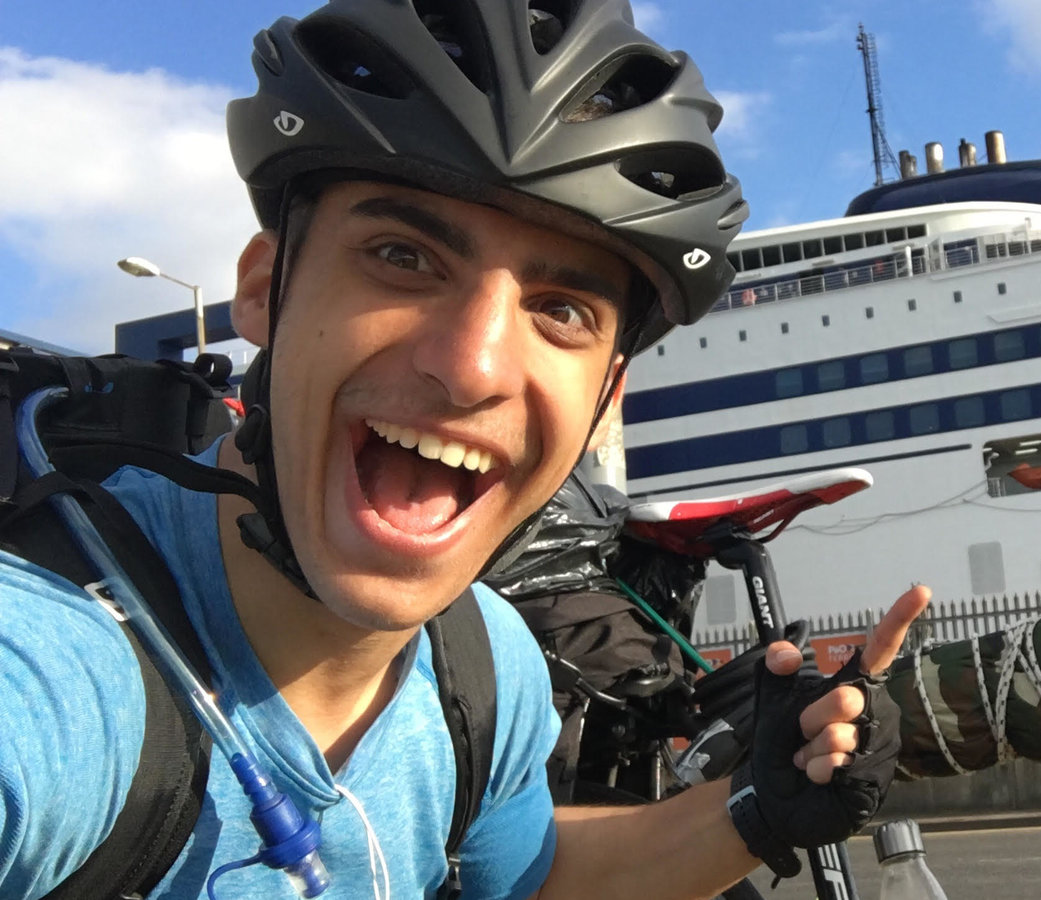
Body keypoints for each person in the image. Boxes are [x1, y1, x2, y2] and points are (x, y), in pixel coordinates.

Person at [0, 2, 930, 898]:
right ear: (263, 289)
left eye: (562, 310)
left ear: (606, 392)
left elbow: (529, 877)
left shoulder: (480, 664)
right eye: (403, 257)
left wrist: (758, 813)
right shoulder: (54, 674)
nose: (472, 367)